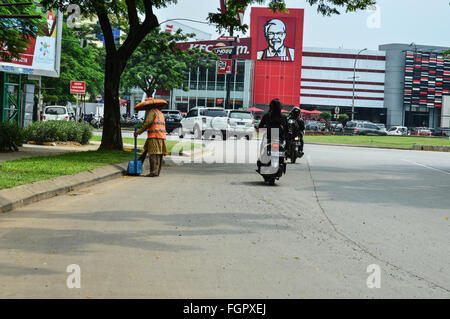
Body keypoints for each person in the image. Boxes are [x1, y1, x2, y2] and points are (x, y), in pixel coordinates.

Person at [134, 105, 167, 177]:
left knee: (153, 154)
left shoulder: (152, 112)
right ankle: (155, 171)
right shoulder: (160, 113)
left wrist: (138, 132)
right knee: (157, 154)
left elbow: (147, 123)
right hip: (161, 136)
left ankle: (153, 172)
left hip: (154, 136)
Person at [256, 98, 288, 170]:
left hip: (268, 137)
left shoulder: (266, 116)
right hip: (280, 139)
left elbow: (260, 127)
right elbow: (287, 130)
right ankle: (284, 159)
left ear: (270, 107)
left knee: (263, 148)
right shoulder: (283, 117)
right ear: (280, 107)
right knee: (283, 149)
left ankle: (260, 158)